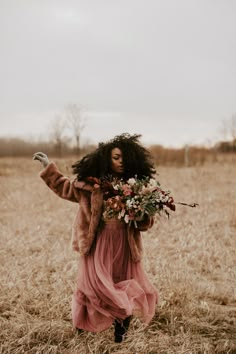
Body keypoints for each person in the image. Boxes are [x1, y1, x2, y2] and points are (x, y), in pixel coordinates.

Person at [33, 133, 158, 343]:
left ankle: (120, 335)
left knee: (124, 286)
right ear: (106, 158)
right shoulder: (91, 184)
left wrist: (143, 212)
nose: (121, 162)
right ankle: (81, 329)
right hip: (97, 244)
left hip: (124, 246)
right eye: (116, 157)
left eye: (124, 158)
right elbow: (65, 187)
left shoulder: (136, 186)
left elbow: (146, 222)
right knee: (91, 288)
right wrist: (48, 167)